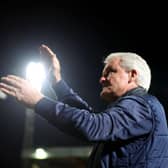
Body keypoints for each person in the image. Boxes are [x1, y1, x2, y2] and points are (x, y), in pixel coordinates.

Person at [0, 44, 168, 168]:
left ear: (132, 75)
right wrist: (57, 82)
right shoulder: (139, 108)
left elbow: (93, 125)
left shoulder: (143, 105)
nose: (102, 79)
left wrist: (39, 101)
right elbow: (91, 121)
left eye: (110, 71)